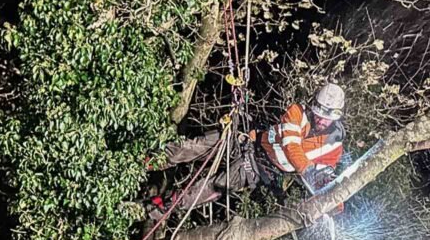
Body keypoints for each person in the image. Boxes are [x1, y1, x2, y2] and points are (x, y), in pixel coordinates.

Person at [149, 82, 347, 217]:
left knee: (212, 188)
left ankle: (160, 206)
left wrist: (334, 202)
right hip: (248, 144)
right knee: (196, 146)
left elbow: (324, 178)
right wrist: (307, 169)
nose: (320, 119)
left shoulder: (333, 147)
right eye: (318, 112)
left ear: (336, 116)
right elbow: (291, 145)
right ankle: (147, 162)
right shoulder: (297, 112)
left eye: (326, 117)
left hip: (257, 169)